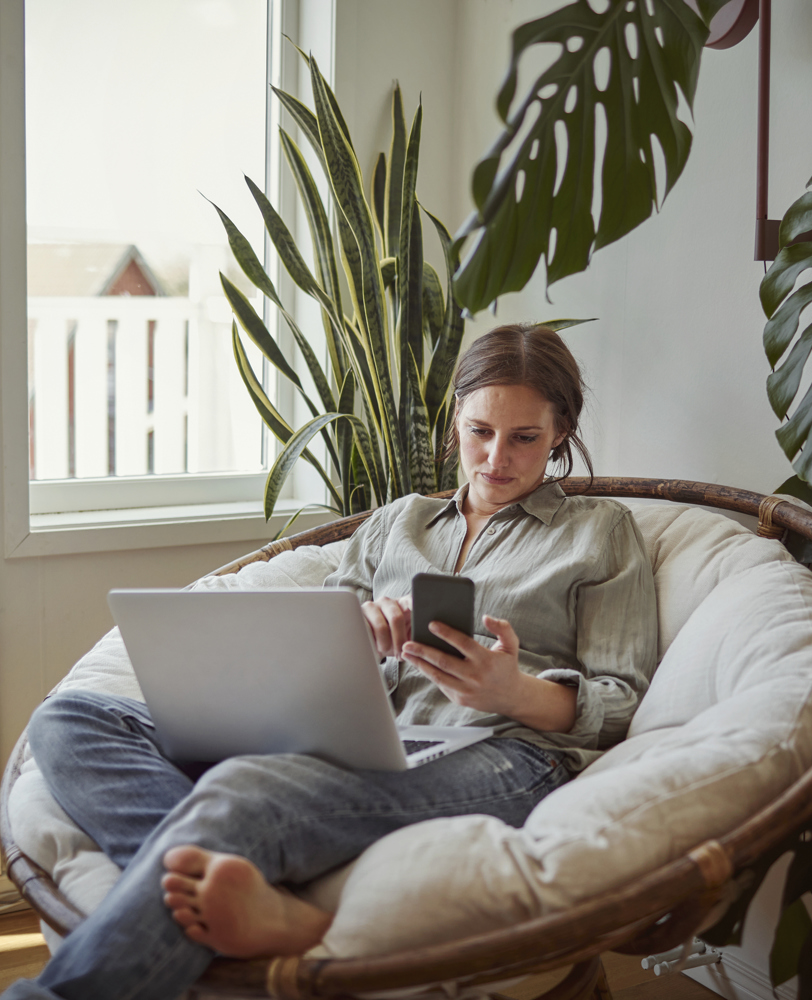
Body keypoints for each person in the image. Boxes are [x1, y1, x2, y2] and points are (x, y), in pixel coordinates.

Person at [3, 323, 657, 1000]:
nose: (495, 458)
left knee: (246, 793)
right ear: (455, 418)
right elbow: (310, 652)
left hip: (506, 754)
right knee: (71, 719)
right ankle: (254, 887)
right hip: (363, 739)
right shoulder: (394, 523)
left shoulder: (600, 532)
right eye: (479, 431)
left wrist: (514, 691)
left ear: (560, 432)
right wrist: (359, 641)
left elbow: (620, 698)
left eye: (524, 437)